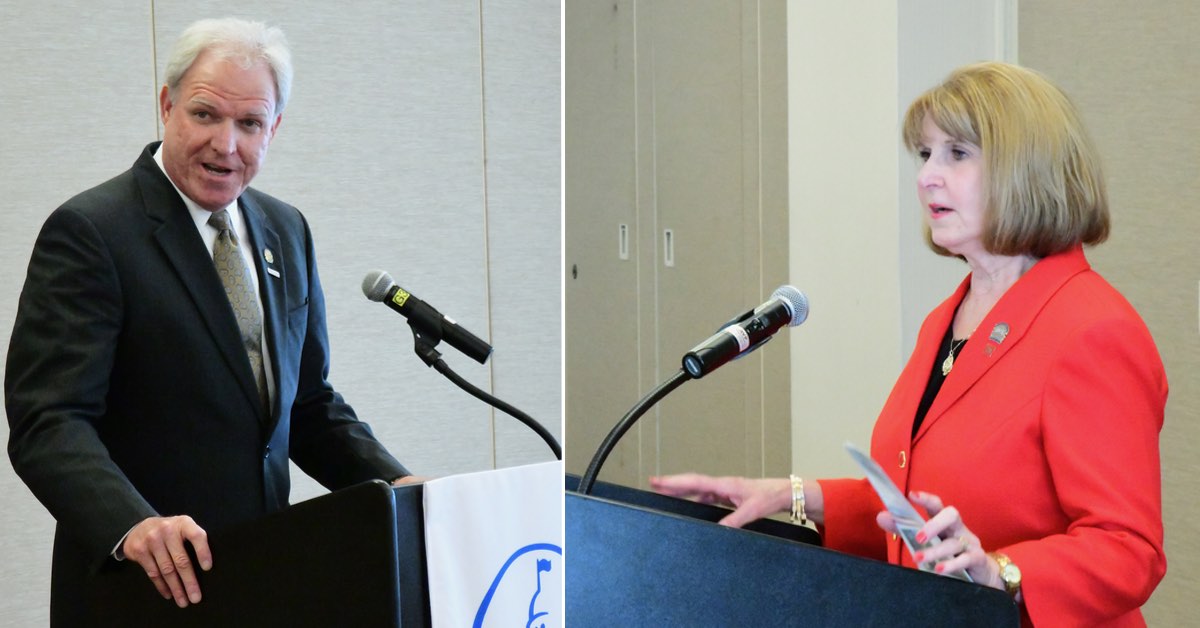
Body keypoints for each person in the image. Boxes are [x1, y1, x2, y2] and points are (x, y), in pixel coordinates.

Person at [651, 62, 1167, 627]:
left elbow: (1128, 547)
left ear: (1027, 169)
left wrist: (1002, 574)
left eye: (957, 154)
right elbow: (918, 502)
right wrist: (789, 496)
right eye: (925, 155)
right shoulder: (948, 317)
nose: (926, 177)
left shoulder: (1092, 328)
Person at [5, 18, 419, 625]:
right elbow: (49, 420)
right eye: (205, 115)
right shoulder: (93, 231)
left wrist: (404, 490)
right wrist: (133, 524)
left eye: (249, 124)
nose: (226, 145)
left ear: (273, 128)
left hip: (261, 578)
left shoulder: (286, 230)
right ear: (167, 105)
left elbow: (307, 407)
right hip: (141, 591)